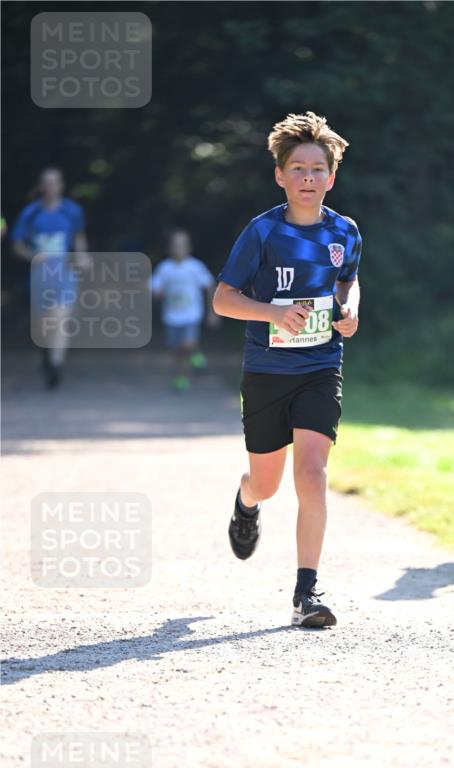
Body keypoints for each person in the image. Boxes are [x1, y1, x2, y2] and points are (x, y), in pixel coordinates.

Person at [213, 111, 362, 627]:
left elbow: (347, 282)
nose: (306, 178)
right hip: (267, 370)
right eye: (296, 168)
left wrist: (350, 310)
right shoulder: (262, 232)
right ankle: (246, 501)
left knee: (313, 473)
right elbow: (223, 299)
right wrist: (273, 312)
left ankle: (307, 591)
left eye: (316, 169)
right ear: (279, 175)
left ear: (331, 176)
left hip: (321, 366)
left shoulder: (344, 231)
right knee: (268, 482)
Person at [11, 167, 89, 388]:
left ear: (61, 185)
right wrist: (34, 256)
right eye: (47, 182)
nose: (51, 187)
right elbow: (17, 245)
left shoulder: (72, 211)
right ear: (41, 186)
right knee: (46, 324)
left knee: (61, 319)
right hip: (40, 277)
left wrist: (81, 257)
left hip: (64, 275)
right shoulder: (31, 213)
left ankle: (55, 366)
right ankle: (47, 354)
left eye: (55, 182)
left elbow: (79, 237)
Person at [151, 230, 218, 391]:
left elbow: (209, 286)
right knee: (178, 352)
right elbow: (155, 290)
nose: (178, 248)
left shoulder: (195, 267)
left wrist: (212, 312)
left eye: (182, 245)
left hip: (192, 314)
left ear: (189, 247)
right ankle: (180, 379)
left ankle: (196, 359)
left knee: (187, 344)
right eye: (175, 245)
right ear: (169, 248)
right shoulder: (164, 268)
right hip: (172, 317)